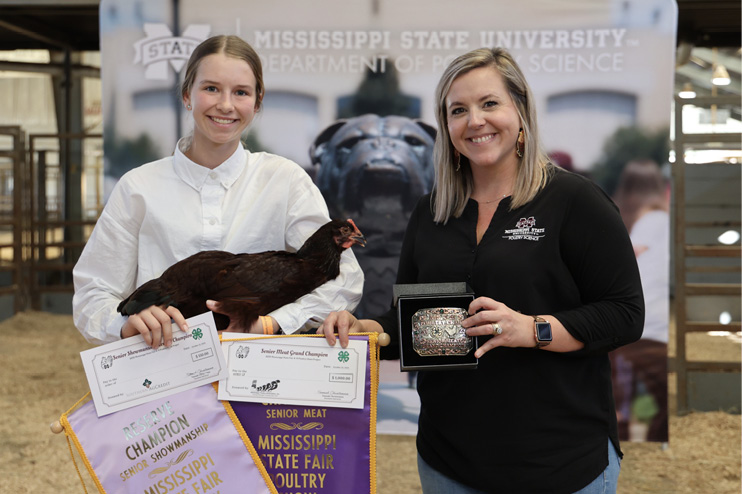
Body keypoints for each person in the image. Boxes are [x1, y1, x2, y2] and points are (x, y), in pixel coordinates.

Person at [320, 47, 644, 493]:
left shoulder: (576, 202)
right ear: (447, 126)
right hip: (448, 463)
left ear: (520, 111)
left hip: (560, 463)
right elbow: (416, 322)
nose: (475, 120)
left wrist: (532, 329)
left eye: (489, 103)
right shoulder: (431, 212)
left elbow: (625, 314)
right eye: (458, 110)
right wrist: (364, 328)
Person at [73, 35, 363, 348]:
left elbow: (345, 280)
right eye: (211, 88)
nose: (225, 105)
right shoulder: (138, 187)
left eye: (240, 92)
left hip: (259, 372)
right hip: (161, 367)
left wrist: (271, 323)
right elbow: (93, 292)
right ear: (187, 95)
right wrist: (124, 324)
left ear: (257, 103)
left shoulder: (284, 180)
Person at [610, 159, 670, 442]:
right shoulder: (662, 220)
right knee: (648, 407)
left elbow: (626, 258)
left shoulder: (647, 222)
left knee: (630, 406)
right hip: (654, 327)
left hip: (636, 326)